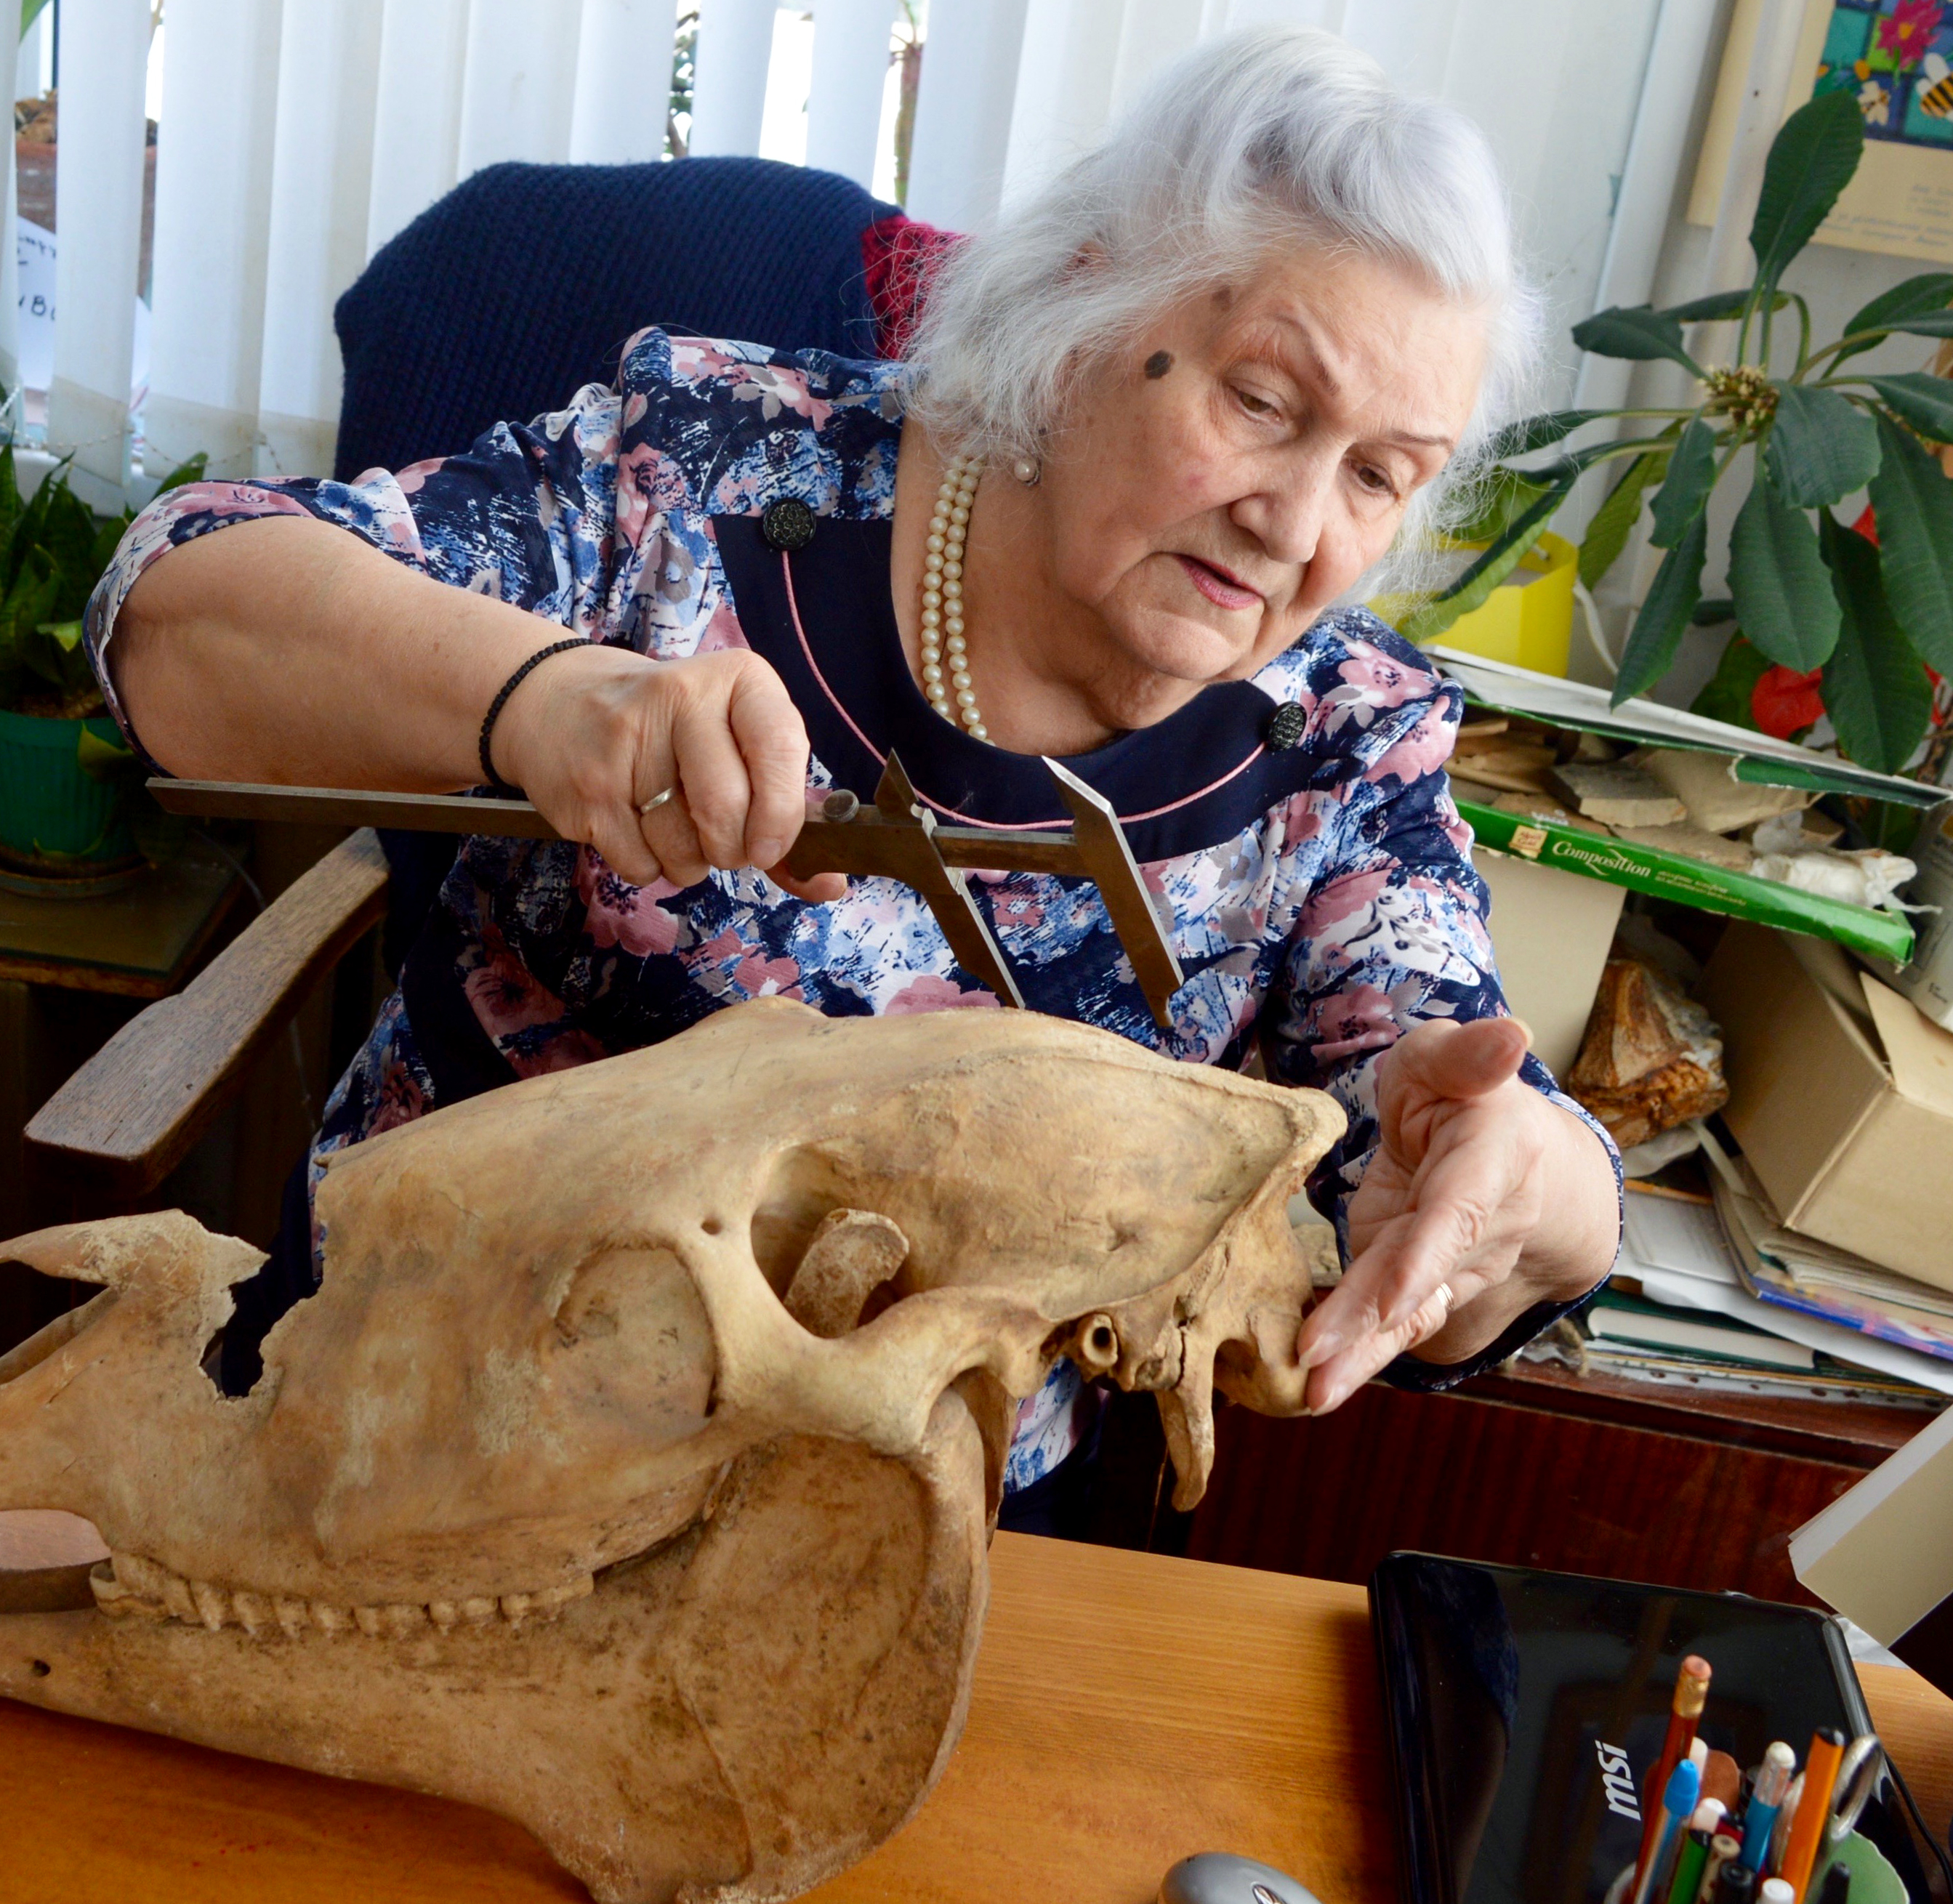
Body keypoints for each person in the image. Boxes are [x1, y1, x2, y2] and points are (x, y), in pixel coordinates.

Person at [85, 25, 1622, 1530]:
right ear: (1089, 297)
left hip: (900, 1561)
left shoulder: (1344, 739)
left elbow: (1458, 1089)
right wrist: (551, 695)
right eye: (1262, 404)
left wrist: (1530, 1184)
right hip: (422, 1436)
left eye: (1376, 475)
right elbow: (173, 609)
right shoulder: (709, 476)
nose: (1295, 525)